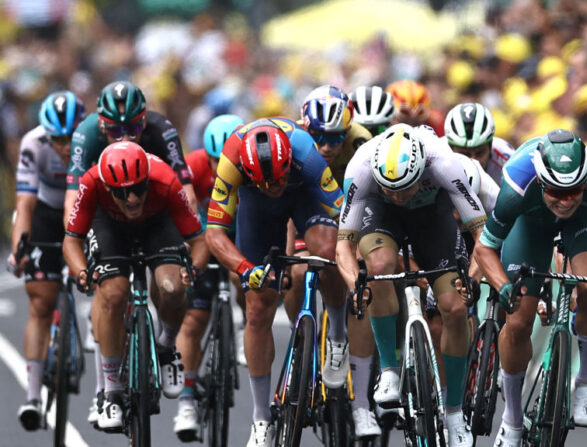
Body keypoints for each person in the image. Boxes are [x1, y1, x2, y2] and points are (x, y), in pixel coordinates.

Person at [473, 129, 587, 446]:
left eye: (573, 191)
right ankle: (512, 420)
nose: (565, 201)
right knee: (518, 322)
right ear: (540, 181)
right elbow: (484, 249)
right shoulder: (516, 184)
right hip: (531, 224)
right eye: (556, 192)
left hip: (584, 220)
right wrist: (502, 285)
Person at [336, 123, 487, 447]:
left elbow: (483, 237)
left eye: (405, 188)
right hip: (381, 217)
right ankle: (389, 369)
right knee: (378, 267)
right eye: (390, 189)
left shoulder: (444, 162)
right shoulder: (361, 167)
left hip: (432, 217)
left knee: (455, 308)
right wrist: (355, 285)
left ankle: (453, 412)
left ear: (422, 170)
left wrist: (472, 280)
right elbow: (343, 247)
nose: (398, 196)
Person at [203, 118, 346, 447]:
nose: (274, 188)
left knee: (328, 254)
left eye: (279, 180)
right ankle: (261, 418)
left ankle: (336, 336)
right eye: (266, 183)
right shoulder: (231, 160)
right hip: (257, 212)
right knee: (257, 305)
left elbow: (342, 215)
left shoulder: (307, 154)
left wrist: (350, 255)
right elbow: (213, 233)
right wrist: (244, 269)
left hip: (306, 197)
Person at [62, 142, 208, 432]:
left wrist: (193, 270)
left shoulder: (165, 179)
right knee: (113, 293)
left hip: (158, 224)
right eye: (121, 192)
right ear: (107, 186)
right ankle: (112, 390)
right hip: (110, 227)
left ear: (147, 181)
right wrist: (81, 273)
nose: (131, 199)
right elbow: (71, 240)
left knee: (172, 286)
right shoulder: (91, 182)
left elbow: (199, 241)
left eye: (138, 189)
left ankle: (166, 348)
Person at [298, 85, 382, 438]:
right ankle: (304, 349)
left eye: (335, 139)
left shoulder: (362, 143)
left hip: (357, 208)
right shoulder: (296, 143)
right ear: (306, 131)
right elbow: (287, 204)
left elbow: (373, 204)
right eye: (318, 137)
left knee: (365, 287)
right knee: (296, 270)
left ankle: (362, 404)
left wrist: (361, 251)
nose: (327, 147)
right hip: (311, 209)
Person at [8, 91, 85, 430]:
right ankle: (33, 396)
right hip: (44, 211)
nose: (66, 146)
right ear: (46, 134)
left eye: (71, 137)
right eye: (58, 139)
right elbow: (24, 206)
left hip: (85, 209)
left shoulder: (93, 140)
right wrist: (18, 250)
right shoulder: (32, 144)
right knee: (40, 300)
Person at [172, 113, 245, 441]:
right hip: (201, 236)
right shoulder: (193, 164)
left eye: (228, 161)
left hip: (239, 233)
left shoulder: (252, 168)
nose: (220, 169)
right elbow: (179, 215)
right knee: (193, 320)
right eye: (216, 161)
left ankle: (244, 324)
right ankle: (186, 398)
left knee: (244, 277)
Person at [64, 80, 198, 225]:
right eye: (116, 131)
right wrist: (76, 241)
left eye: (133, 130)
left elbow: (187, 195)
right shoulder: (86, 135)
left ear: (144, 122)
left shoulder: (162, 130)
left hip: (152, 209)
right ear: (101, 127)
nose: (125, 140)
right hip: (107, 212)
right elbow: (72, 202)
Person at [444, 102, 515, 183]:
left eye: (479, 153)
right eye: (465, 154)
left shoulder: (506, 157)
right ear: (450, 148)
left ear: (490, 145)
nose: (474, 161)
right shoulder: (435, 157)